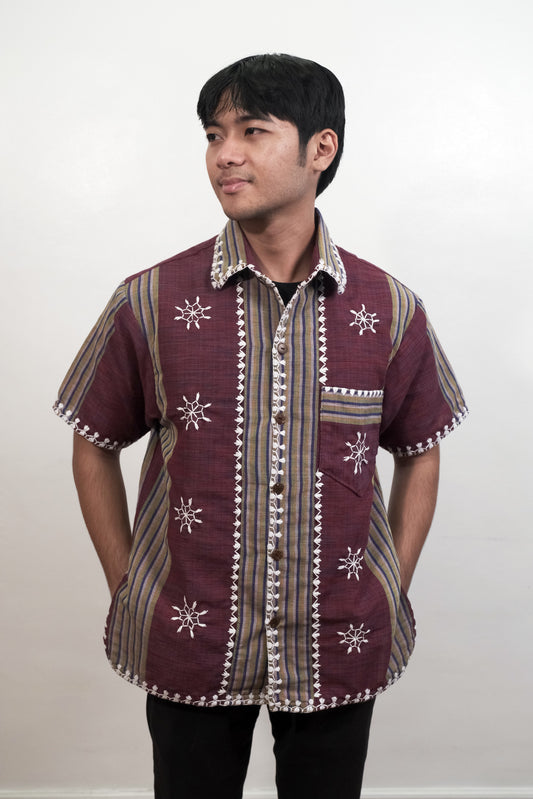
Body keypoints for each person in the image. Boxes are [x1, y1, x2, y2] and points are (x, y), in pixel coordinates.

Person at [54, 54, 467, 799]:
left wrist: (387, 587)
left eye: (251, 130)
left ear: (320, 149)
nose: (225, 154)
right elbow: (94, 441)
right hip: (192, 638)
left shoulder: (387, 308)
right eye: (214, 135)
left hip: (335, 640)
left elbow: (419, 450)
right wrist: (129, 583)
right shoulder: (150, 300)